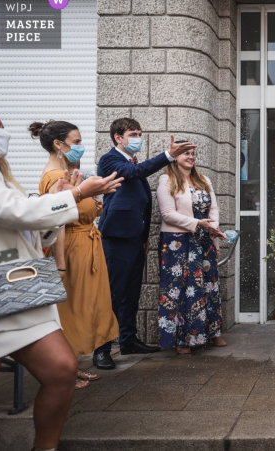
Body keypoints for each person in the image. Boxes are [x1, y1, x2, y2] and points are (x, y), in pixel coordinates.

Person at [0, 112, 122, 450]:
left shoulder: (2, 174)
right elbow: (14, 212)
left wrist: (67, 202)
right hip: (3, 286)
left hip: (13, 288)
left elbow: (31, 230)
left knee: (62, 369)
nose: (1, 131)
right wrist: (78, 193)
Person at [94, 118, 196, 369]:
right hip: (115, 239)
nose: (138, 137)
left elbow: (143, 203)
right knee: (113, 294)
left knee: (131, 294)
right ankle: (101, 349)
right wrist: (168, 156)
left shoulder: (132, 162)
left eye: (139, 133)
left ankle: (128, 340)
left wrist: (143, 238)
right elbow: (134, 174)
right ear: (118, 137)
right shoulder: (110, 160)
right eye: (133, 133)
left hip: (134, 240)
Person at [32, 120, 119, 389]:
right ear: (59, 144)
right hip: (72, 249)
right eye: (77, 142)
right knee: (70, 311)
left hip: (86, 243)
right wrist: (60, 264)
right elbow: (56, 222)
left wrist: (94, 207)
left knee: (85, 308)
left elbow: (75, 209)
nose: (81, 147)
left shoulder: (68, 172)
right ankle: (65, 371)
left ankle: (71, 368)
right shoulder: (55, 177)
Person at [156, 149, 227, 354]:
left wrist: (213, 232)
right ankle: (183, 339)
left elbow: (213, 209)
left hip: (204, 239)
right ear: (175, 157)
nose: (190, 156)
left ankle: (212, 333)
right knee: (180, 287)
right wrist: (198, 223)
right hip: (177, 241)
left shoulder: (203, 179)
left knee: (208, 285)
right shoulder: (166, 179)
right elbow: (168, 214)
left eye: (193, 153)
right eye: (185, 153)